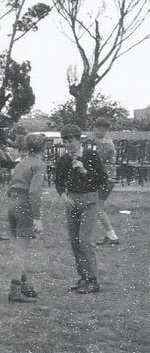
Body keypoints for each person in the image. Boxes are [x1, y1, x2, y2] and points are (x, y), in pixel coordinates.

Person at [54, 124, 107, 294]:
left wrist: (85, 171)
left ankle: (93, 280)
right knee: (74, 241)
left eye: (70, 141)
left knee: (84, 240)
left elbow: (103, 179)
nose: (68, 145)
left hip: (89, 200)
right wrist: (63, 195)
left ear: (78, 140)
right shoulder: (63, 160)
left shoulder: (91, 155)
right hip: (72, 202)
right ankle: (83, 277)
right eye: (65, 142)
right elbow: (58, 182)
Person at [5, 133, 47, 303]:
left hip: (12, 202)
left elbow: (9, 186)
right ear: (43, 148)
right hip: (24, 204)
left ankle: (26, 286)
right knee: (21, 250)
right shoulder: (39, 164)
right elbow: (34, 192)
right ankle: (15, 290)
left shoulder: (21, 162)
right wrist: (36, 217)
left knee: (18, 246)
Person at [89, 117, 119, 246]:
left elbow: (95, 160)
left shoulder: (106, 144)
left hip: (106, 179)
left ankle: (112, 236)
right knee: (95, 206)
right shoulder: (104, 141)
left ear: (104, 129)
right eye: (95, 129)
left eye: (99, 129)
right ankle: (110, 235)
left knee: (96, 207)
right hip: (106, 178)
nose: (95, 131)